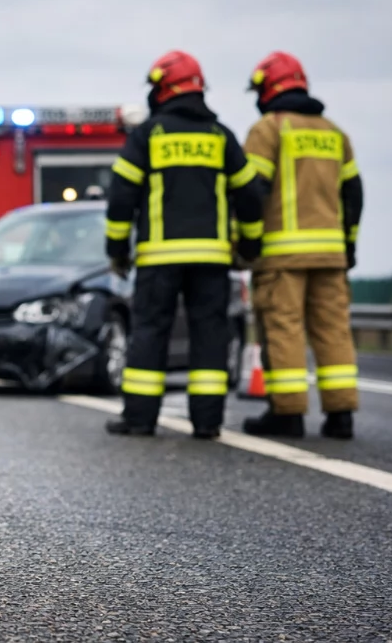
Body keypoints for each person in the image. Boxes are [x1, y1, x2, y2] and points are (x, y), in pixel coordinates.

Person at [104, 50, 266, 439]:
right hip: (212, 259)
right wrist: (249, 246)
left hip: (159, 259)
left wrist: (117, 251)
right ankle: (207, 423)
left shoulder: (149, 136)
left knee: (149, 332)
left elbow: (122, 197)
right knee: (210, 335)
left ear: (163, 89)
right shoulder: (220, 137)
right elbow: (250, 194)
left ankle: (140, 419)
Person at [239, 51, 364, 439]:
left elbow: (253, 191)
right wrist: (349, 245)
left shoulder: (268, 129)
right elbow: (353, 194)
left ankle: (288, 413)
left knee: (284, 329)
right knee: (333, 331)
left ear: (268, 89)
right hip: (331, 255)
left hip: (282, 256)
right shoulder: (334, 132)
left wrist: (248, 242)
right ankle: (341, 415)